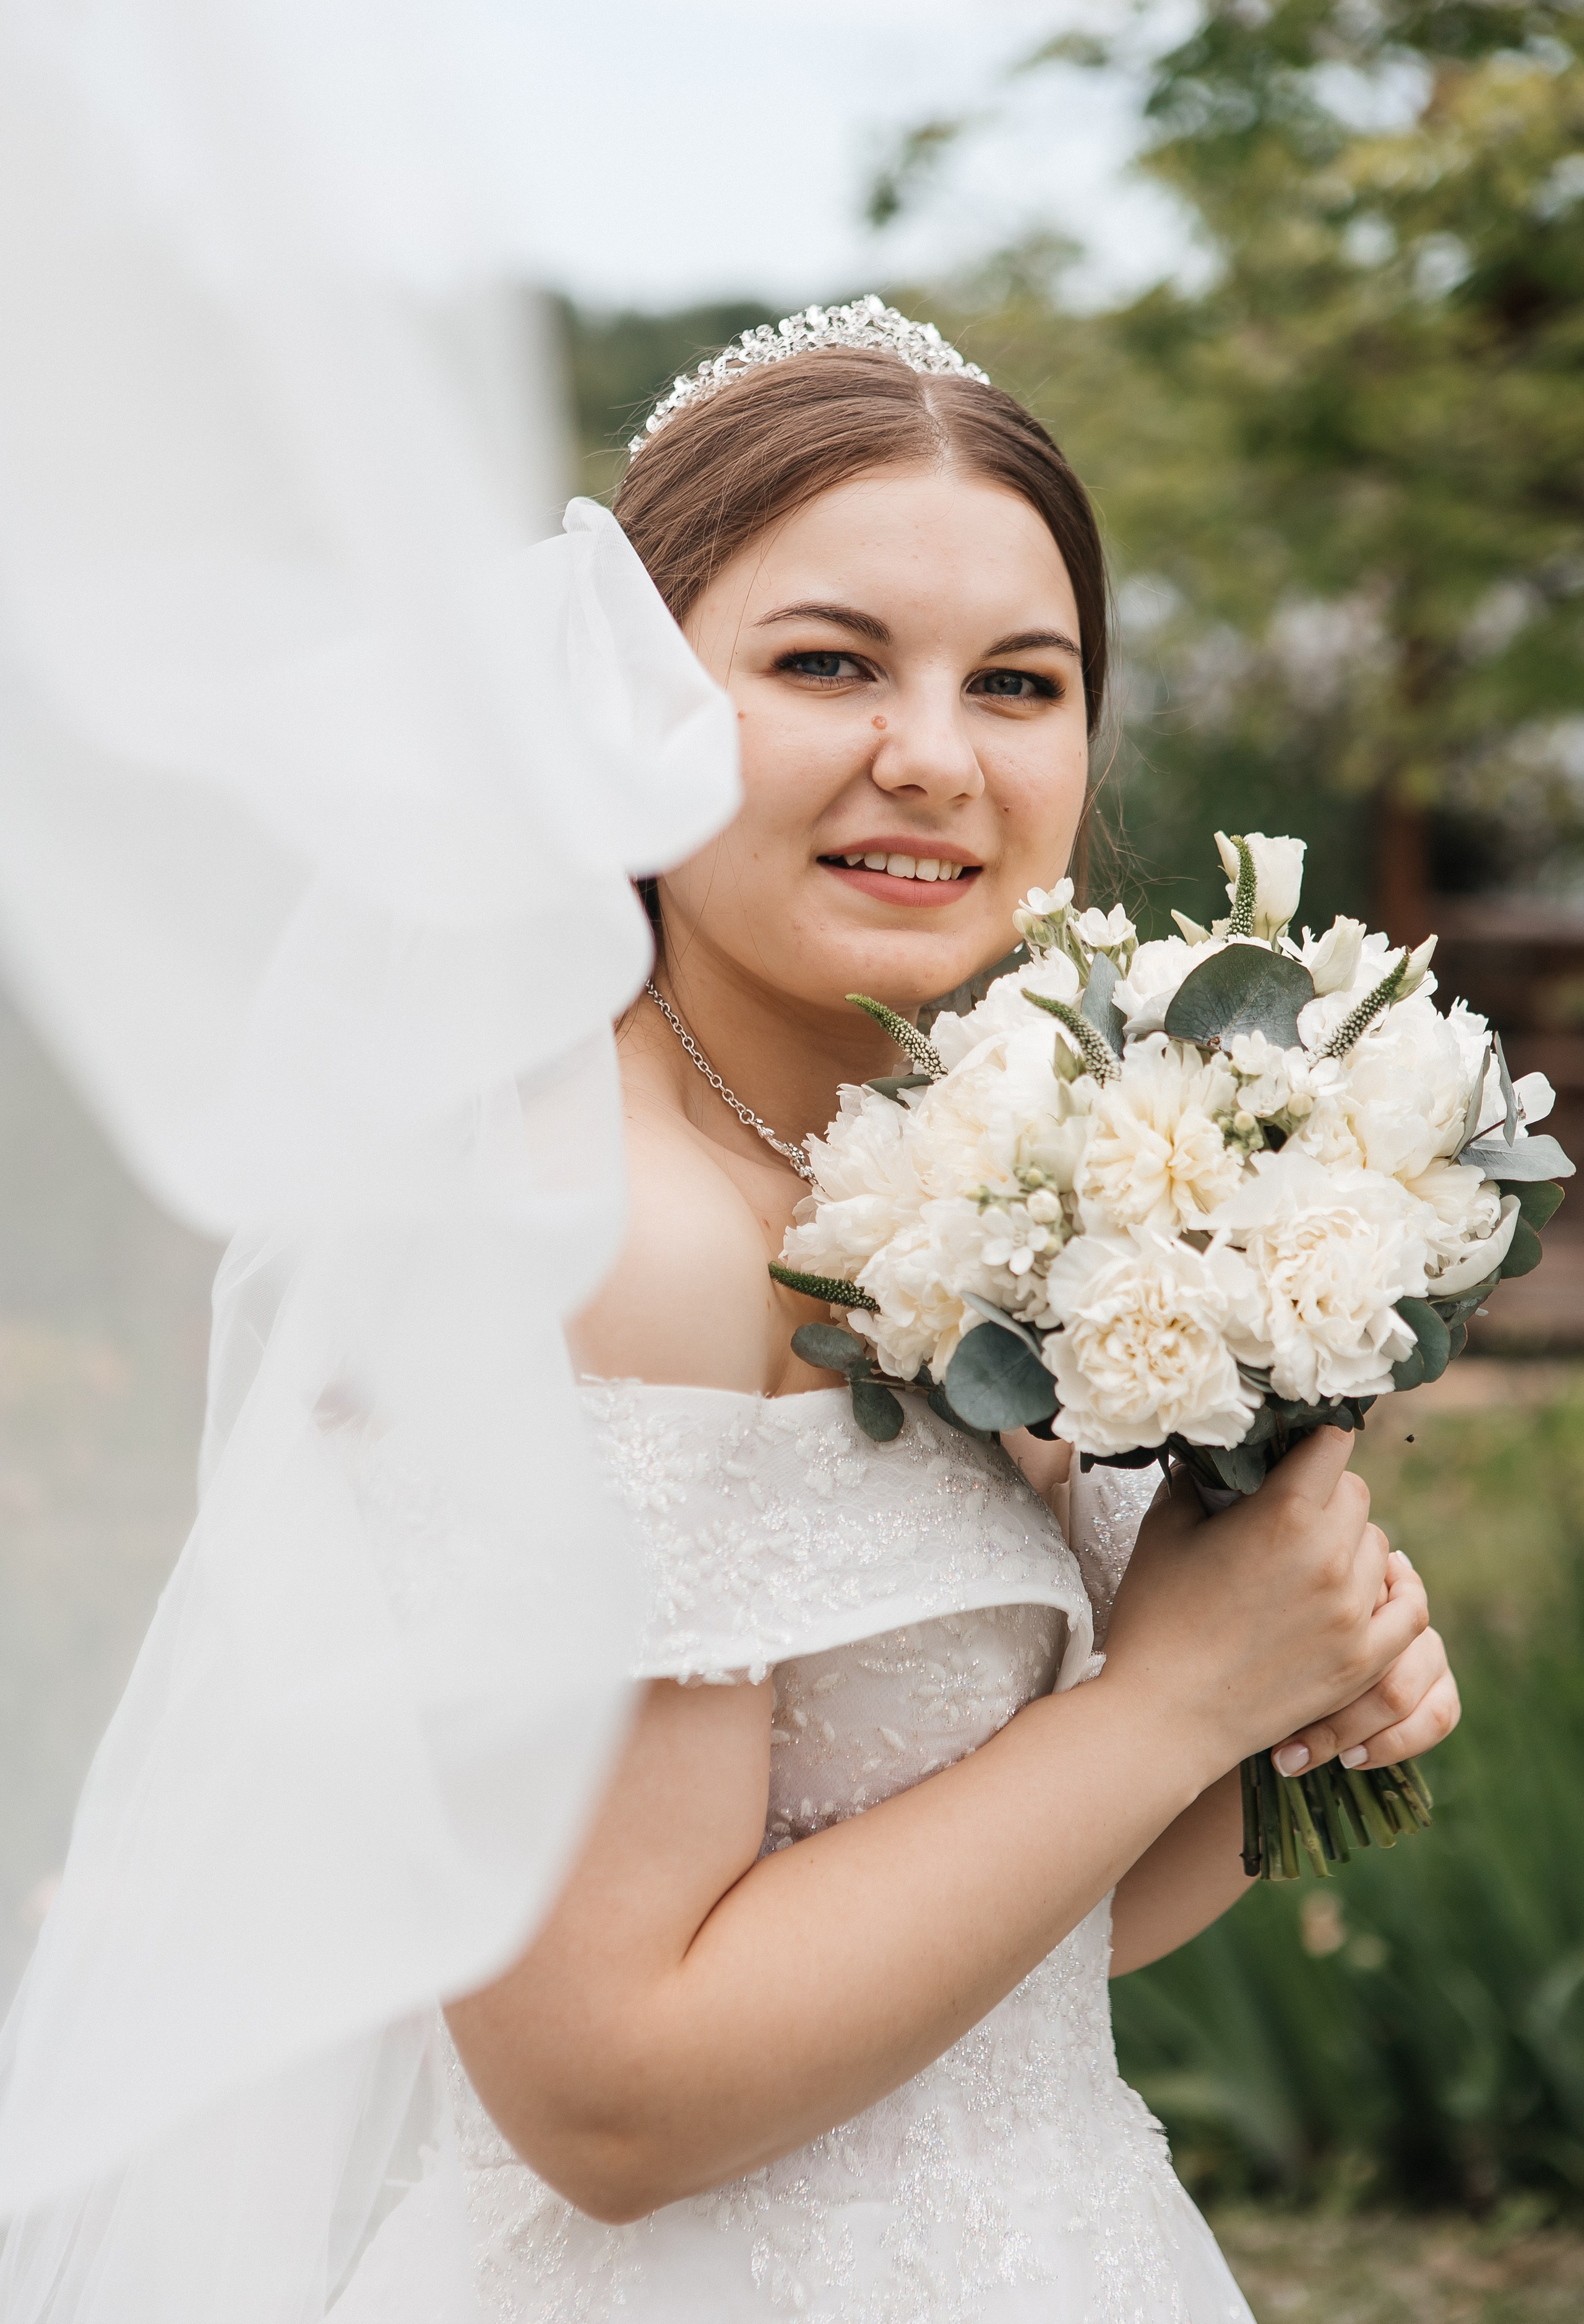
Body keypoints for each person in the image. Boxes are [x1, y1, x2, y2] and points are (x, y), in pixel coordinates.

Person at [442, 303, 1461, 2321]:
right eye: (826, 663)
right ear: (625, 709)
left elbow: (1018, 1952)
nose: (934, 755)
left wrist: (1280, 1716)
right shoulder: (615, 1235)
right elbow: (608, 2100)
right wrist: (1182, 1693)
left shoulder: (978, 1180)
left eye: (1021, 681)